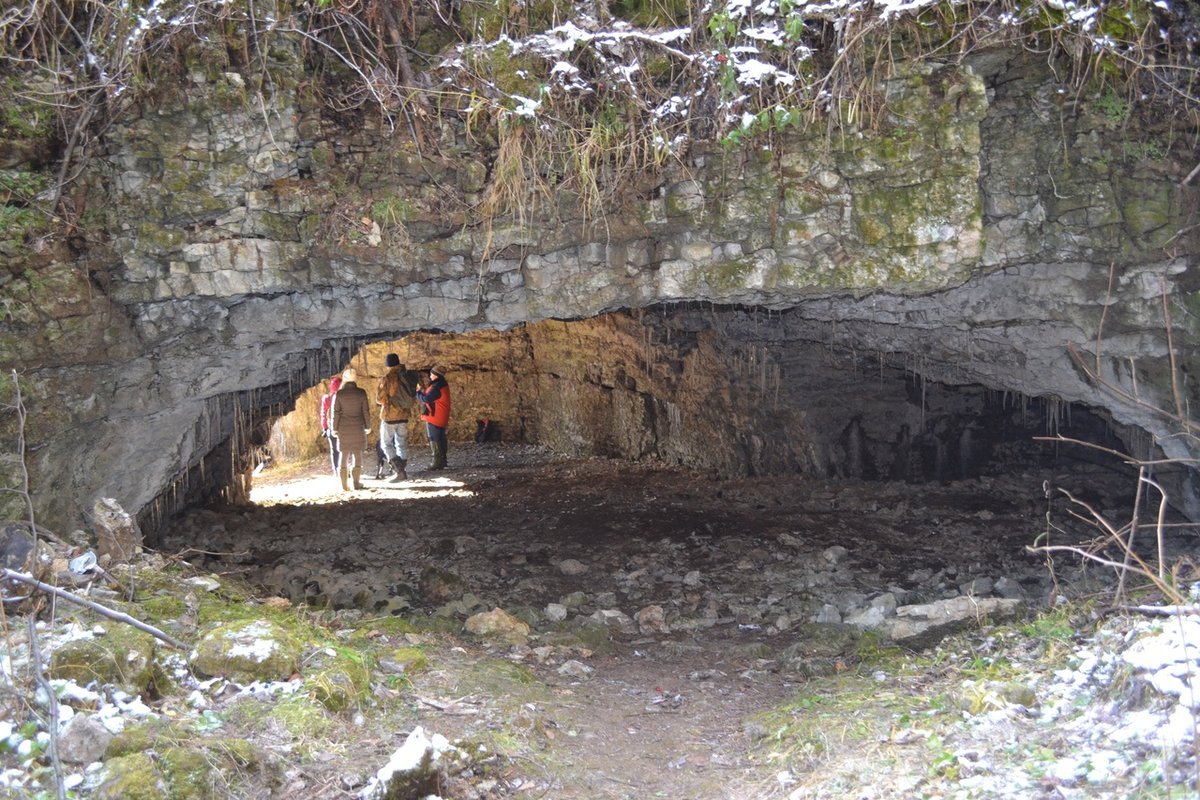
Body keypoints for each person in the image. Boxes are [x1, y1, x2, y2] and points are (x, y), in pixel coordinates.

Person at [376, 353, 419, 482]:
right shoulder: (407, 375)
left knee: (386, 444)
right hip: (404, 415)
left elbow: (380, 399)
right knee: (401, 443)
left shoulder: (388, 378)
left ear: (388, 365)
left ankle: (399, 471)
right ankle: (401, 471)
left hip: (390, 416)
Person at [331, 367, 371, 491]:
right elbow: (366, 412)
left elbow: (336, 413)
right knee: (357, 455)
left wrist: (334, 428)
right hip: (358, 428)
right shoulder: (361, 393)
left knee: (344, 455)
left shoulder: (339, 394)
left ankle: (344, 485)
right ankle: (356, 483)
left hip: (343, 429)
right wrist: (368, 426)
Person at [416, 365, 451, 471]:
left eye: (431, 373)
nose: (430, 376)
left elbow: (427, 398)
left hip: (435, 417)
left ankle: (437, 462)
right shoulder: (441, 384)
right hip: (440, 416)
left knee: (434, 439)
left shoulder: (437, 386)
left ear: (436, 375)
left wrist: (417, 393)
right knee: (440, 438)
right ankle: (442, 460)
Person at [318, 374, 342, 477]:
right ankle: (343, 468)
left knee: (334, 450)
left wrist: (325, 428)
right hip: (342, 427)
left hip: (331, 428)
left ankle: (336, 470)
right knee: (344, 449)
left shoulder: (327, 398)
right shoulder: (343, 397)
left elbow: (323, 414)